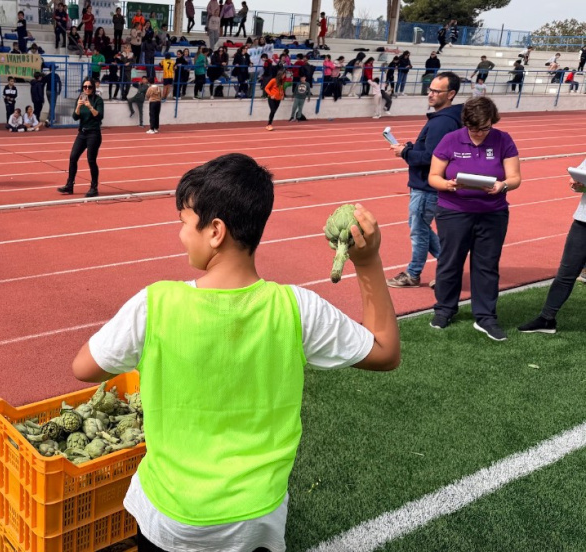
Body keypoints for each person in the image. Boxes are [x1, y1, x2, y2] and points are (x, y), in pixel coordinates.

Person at [69, 153, 399, 552]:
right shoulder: (297, 308)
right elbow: (385, 351)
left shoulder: (155, 304)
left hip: (170, 515)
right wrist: (368, 261)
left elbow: (84, 367)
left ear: (215, 231)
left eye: (184, 223)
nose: (180, 235)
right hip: (254, 518)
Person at [427, 97, 521, 341]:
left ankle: (486, 316)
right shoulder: (450, 139)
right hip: (453, 211)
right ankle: (444, 310)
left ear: (493, 121)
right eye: (473, 128)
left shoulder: (503, 139)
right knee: (450, 262)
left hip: (493, 213)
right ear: (465, 123)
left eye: (484, 128)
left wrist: (502, 185)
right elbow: (433, 176)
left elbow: (515, 177)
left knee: (486, 265)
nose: (479, 133)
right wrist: (447, 184)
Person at [387, 72, 463, 289]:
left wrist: (405, 153)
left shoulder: (442, 122)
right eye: (430, 90)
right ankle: (450, 266)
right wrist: (410, 148)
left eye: (436, 91)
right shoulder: (447, 119)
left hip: (427, 186)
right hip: (428, 184)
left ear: (451, 94)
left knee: (419, 229)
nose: (430, 94)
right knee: (418, 226)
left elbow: (432, 158)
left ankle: (413, 274)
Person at [518, 157, 586, 333]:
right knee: (566, 272)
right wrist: (577, 184)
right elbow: (579, 179)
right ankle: (547, 319)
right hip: (583, 222)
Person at [57, 78, 103, 197]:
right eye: (85, 87)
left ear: (93, 88)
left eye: (89, 87)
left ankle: (94, 187)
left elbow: (99, 116)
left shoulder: (98, 100)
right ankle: (69, 185)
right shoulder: (80, 98)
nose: (87, 89)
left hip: (94, 133)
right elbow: (75, 117)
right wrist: (78, 106)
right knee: (73, 157)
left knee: (91, 160)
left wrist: (90, 107)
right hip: (82, 133)